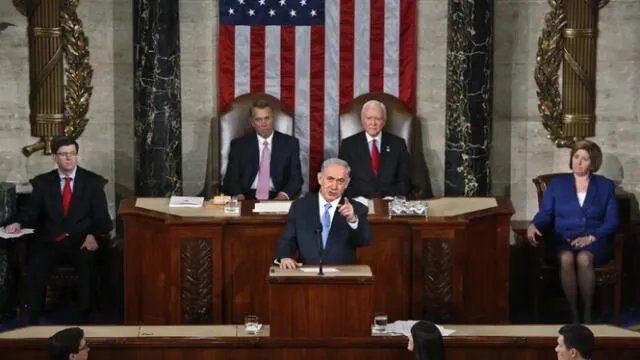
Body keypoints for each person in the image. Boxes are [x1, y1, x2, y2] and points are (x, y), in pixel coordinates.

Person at [4, 137, 112, 324]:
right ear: (55, 158)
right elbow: (29, 212)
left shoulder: (92, 182)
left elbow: (103, 219)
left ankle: (85, 321)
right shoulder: (44, 182)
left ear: (77, 156)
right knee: (35, 264)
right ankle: (32, 320)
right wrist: (17, 223)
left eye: (72, 154)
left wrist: (93, 235)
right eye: (63, 154)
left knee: (88, 263)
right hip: (50, 241)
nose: (69, 158)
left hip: (81, 241)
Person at [527, 140, 619, 324]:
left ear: (592, 163)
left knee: (584, 258)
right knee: (566, 258)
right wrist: (534, 224)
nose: (579, 162)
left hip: (594, 240)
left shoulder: (605, 186)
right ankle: (574, 313)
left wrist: (592, 237)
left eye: (585, 158)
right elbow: (546, 213)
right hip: (563, 239)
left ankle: (587, 313)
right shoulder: (556, 185)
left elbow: (613, 220)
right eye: (576, 157)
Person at [275, 158, 373, 268]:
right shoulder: (300, 207)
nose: (334, 186)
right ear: (320, 178)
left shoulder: (356, 208)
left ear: (347, 183)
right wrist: (285, 257)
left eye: (340, 181)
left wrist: (352, 220)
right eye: (330, 179)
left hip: (343, 276)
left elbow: (364, 241)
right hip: (307, 273)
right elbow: (288, 239)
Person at [222, 99, 303, 200]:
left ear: (273, 119)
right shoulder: (239, 145)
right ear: (252, 122)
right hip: (247, 196)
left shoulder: (290, 143)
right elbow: (231, 178)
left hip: (277, 195)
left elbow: (296, 178)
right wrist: (239, 195)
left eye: (267, 118)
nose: (264, 124)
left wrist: (283, 195)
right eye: (258, 119)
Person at [338, 100, 410, 198]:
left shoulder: (398, 144)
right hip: (357, 202)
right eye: (369, 118)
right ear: (363, 120)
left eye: (378, 119)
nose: (373, 123)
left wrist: (391, 198)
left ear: (384, 121)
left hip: (389, 201)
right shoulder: (348, 144)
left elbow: (404, 179)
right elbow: (342, 179)